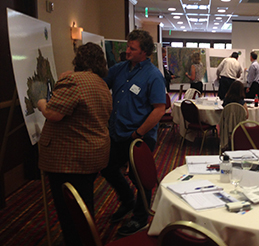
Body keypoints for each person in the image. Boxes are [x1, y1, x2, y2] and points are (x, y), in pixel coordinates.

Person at [37, 42, 112, 246]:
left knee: (70, 211)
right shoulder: (101, 83)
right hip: (92, 153)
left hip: (69, 159)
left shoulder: (73, 80)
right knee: (83, 205)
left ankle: (78, 240)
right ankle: (86, 237)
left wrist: (42, 103)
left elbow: (54, 114)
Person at [100, 30, 166, 236]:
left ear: (144, 52)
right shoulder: (119, 69)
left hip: (140, 136)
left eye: (132, 48)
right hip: (117, 132)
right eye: (127, 46)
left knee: (140, 177)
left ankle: (140, 217)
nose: (126, 51)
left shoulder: (153, 76)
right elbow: (100, 84)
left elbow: (159, 109)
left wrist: (138, 133)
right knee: (107, 166)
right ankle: (128, 199)